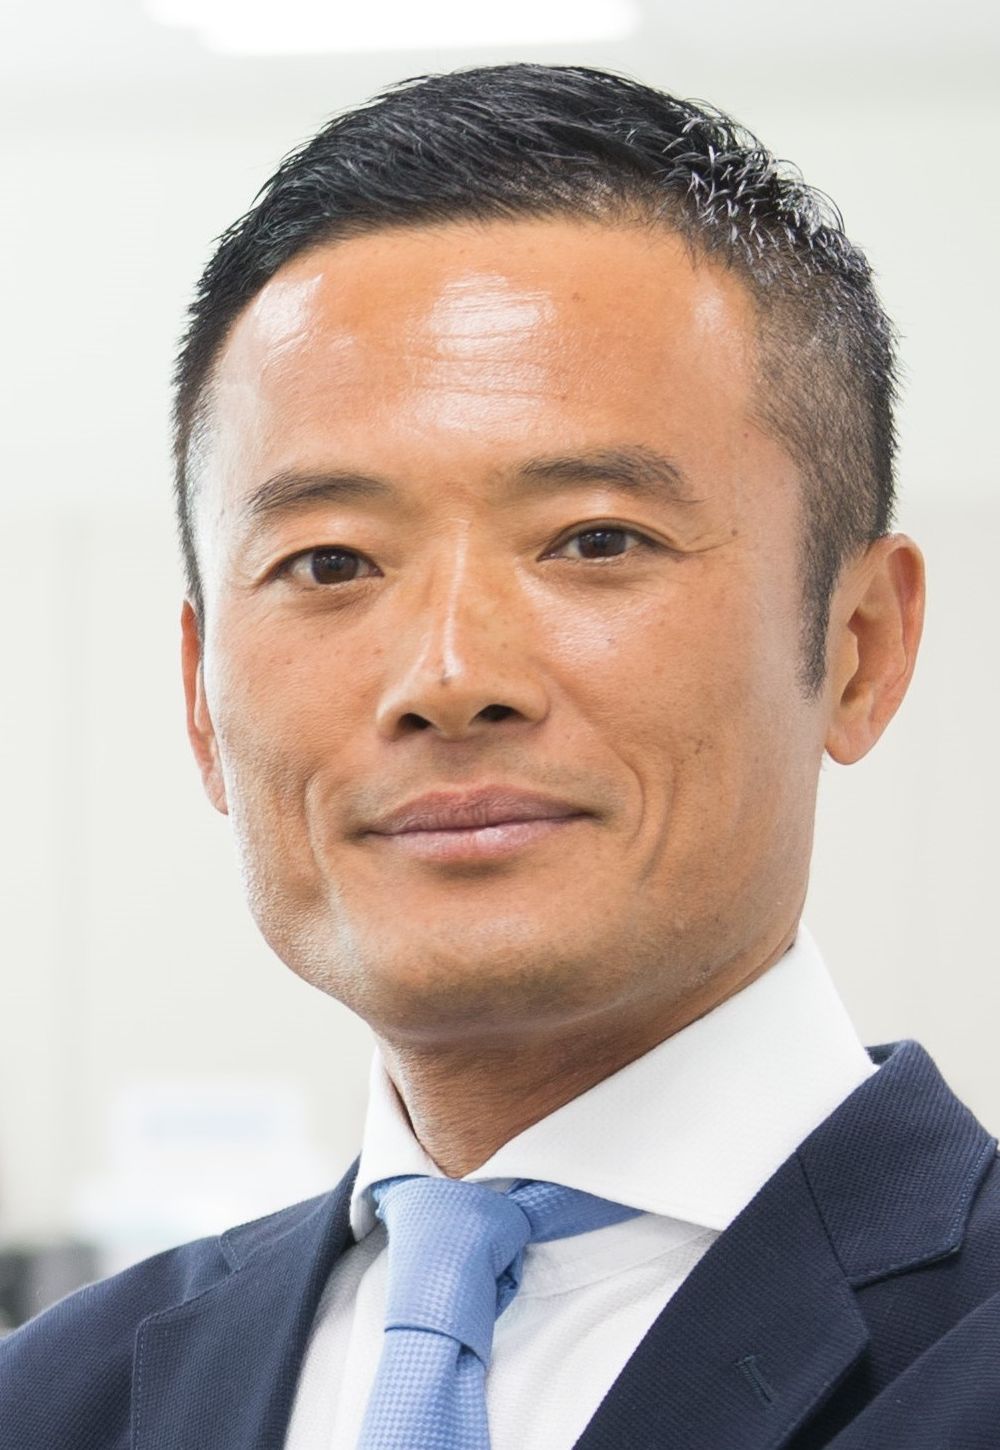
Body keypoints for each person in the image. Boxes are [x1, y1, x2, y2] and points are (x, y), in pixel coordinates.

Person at [2, 61, 998, 1449]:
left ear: (861, 646)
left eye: (596, 540)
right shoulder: (53, 1401)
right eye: (330, 561)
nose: (450, 677)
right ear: (200, 697)